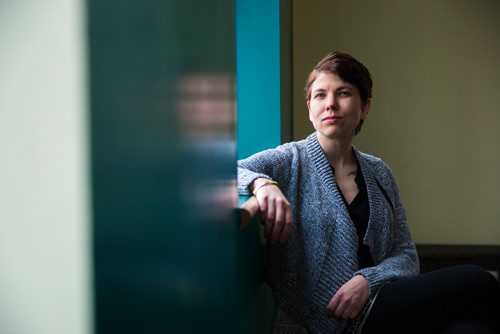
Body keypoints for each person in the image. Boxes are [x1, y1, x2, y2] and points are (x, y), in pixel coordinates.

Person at [237, 51, 500, 333]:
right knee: (479, 280)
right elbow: (229, 170)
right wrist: (264, 185)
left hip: (383, 301)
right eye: (320, 95)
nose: (331, 104)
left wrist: (367, 280)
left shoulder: (379, 172)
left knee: (471, 330)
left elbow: (406, 255)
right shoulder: (289, 161)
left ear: (365, 107)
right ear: (309, 107)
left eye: (343, 93)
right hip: (336, 318)